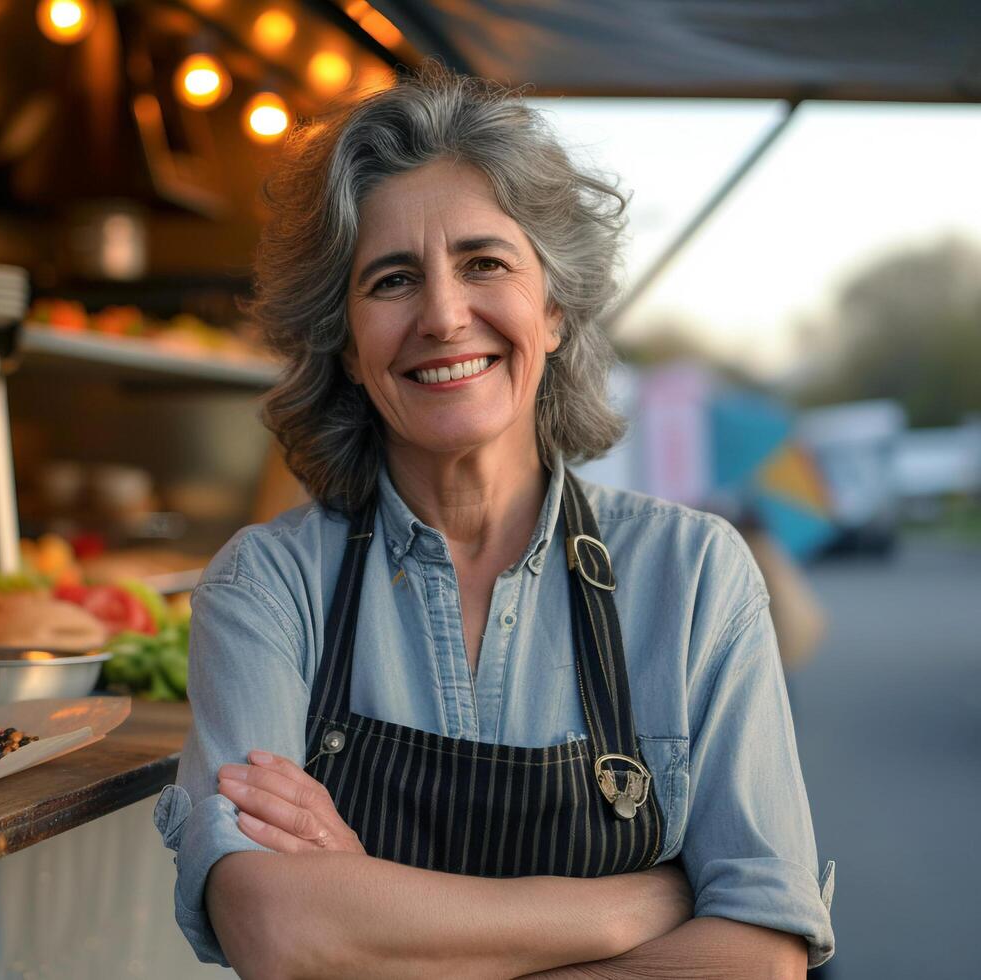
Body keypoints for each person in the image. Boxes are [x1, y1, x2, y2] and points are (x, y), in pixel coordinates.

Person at [153, 66, 834, 978]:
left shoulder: (695, 573)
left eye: (484, 263)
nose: (443, 315)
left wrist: (371, 913)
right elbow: (280, 934)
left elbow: (760, 956)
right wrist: (639, 903)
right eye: (391, 280)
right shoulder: (267, 587)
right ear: (348, 348)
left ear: (552, 310)